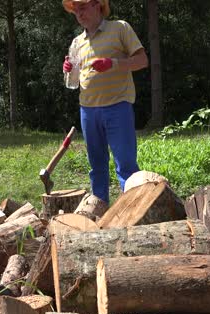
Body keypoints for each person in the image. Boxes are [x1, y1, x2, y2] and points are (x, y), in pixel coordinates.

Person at [62, 0, 148, 204]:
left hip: (118, 106)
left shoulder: (120, 28)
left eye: (82, 7)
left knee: (126, 165)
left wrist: (113, 63)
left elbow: (142, 60)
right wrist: (68, 70)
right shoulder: (77, 42)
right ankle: (99, 212)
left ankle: (133, 212)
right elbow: (73, 83)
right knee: (97, 166)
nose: (79, 13)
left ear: (97, 5)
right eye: (75, 10)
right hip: (88, 111)